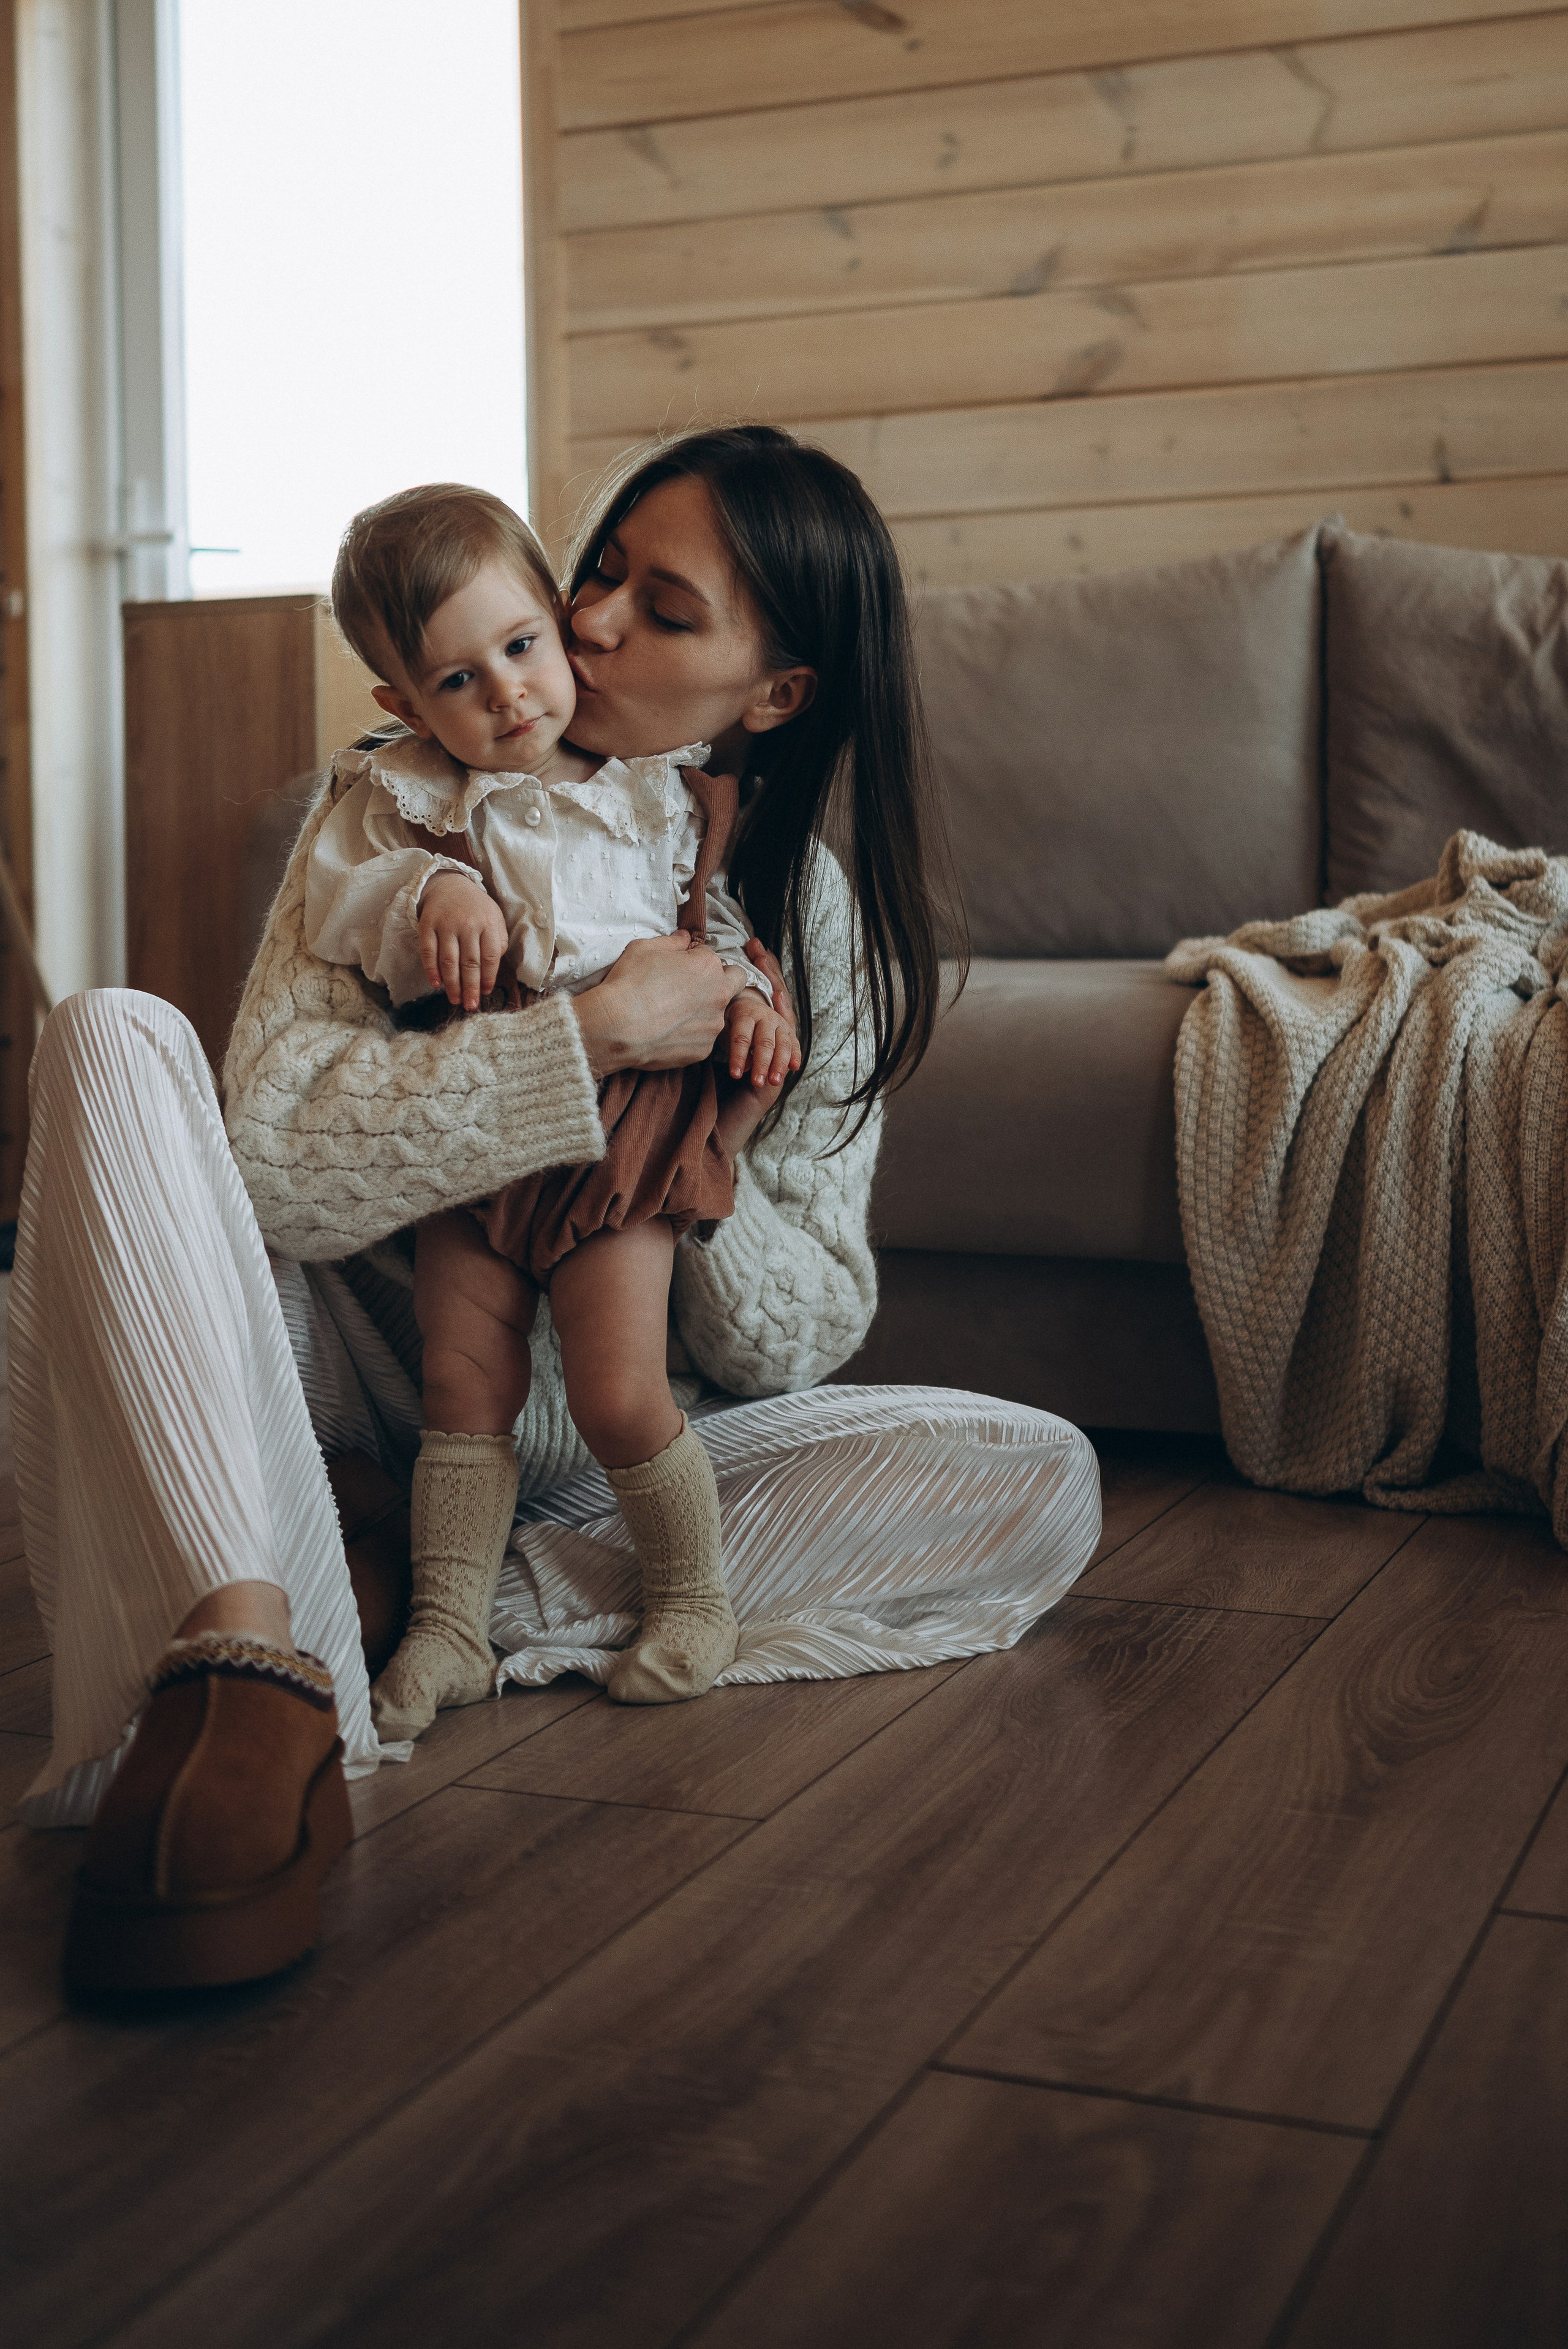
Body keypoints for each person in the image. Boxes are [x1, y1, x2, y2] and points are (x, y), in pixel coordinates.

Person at [11, 426, 1101, 1994]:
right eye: (595, 572)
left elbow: (816, 1322)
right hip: (371, 1372)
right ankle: (248, 1646)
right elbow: (268, 1159)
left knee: (1037, 1478)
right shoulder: (388, 819)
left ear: (771, 692)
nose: (583, 628)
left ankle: (409, 1600)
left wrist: (695, 1147)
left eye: (662, 613)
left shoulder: (801, 925)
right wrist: (583, 1044)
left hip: (623, 1438)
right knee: (107, 1034)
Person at [306, 484, 800, 1733]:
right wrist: (427, 898)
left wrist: (749, 995)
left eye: (523, 647)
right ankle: (448, 1630)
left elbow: (709, 922)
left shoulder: (655, 785)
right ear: (402, 708)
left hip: (625, 1125)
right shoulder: (405, 803)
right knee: (461, 1395)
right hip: (481, 1113)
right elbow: (341, 914)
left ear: (551, 621)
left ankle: (692, 1596)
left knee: (615, 1386)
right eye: (457, 682)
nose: (510, 695)